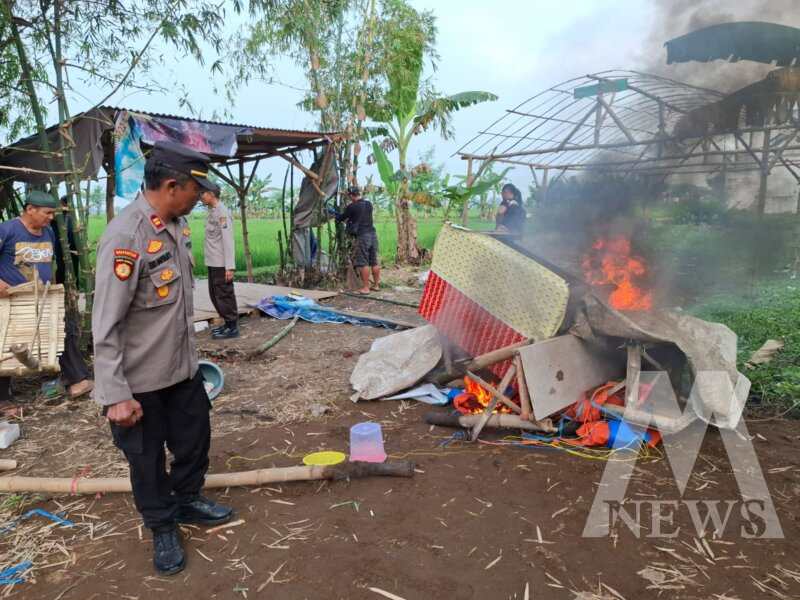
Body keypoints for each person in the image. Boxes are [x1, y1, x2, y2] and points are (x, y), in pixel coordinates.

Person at [92, 141, 233, 576]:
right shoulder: (126, 236)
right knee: (147, 460)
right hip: (141, 382)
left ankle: (188, 499)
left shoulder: (174, 224)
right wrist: (116, 394)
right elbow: (106, 324)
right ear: (173, 186)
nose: (200, 197)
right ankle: (162, 525)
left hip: (181, 369)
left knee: (195, 440)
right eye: (196, 189)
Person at [0, 191, 93, 402]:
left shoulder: (48, 232)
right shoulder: (6, 230)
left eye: (53, 213)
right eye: (47, 212)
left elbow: (49, 264)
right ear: (30, 209)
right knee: (4, 341)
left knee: (62, 330)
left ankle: (78, 380)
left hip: (42, 296)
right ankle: (3, 401)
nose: (51, 217)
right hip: (11, 300)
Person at [199, 183, 238, 339]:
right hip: (213, 261)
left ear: (211, 194)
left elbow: (228, 240)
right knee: (215, 295)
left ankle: (232, 327)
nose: (201, 196)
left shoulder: (222, 212)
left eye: (203, 193)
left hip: (221, 263)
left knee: (224, 295)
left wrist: (230, 267)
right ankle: (227, 324)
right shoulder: (213, 211)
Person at [336, 186, 380, 294]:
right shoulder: (368, 204)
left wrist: (336, 216)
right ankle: (376, 285)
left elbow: (341, 218)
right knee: (374, 261)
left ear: (351, 195)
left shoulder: (352, 207)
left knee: (363, 262)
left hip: (363, 236)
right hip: (373, 234)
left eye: (349, 196)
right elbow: (359, 216)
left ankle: (366, 288)